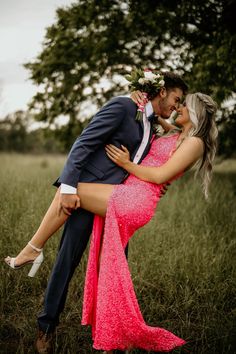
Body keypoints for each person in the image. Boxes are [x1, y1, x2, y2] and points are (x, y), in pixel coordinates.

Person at [5, 91, 218, 352]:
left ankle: (34, 249)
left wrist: (128, 165)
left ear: (195, 112)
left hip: (126, 198)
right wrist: (137, 98)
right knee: (82, 263)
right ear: (161, 93)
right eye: (176, 99)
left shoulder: (192, 141)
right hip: (106, 192)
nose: (178, 106)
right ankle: (49, 327)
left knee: (70, 193)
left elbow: (163, 173)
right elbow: (86, 142)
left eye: (184, 104)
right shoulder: (151, 120)